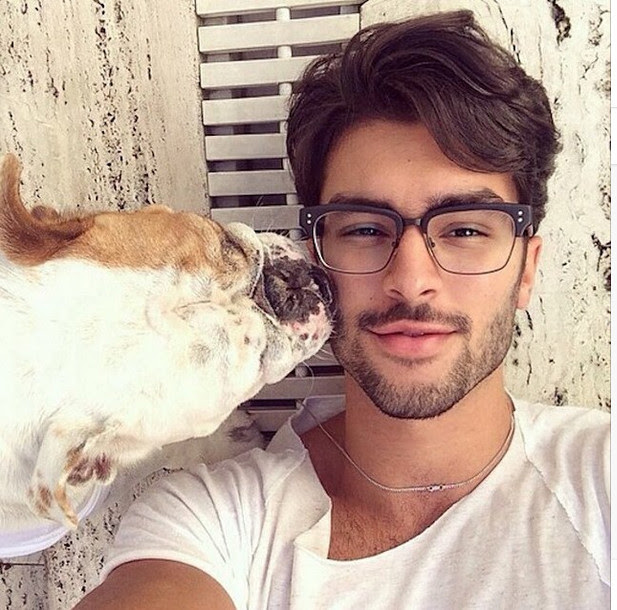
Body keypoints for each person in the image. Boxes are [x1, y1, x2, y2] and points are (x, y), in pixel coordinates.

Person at [76, 10, 609, 609]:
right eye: (363, 229)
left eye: (464, 230)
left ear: (526, 269)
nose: (411, 281)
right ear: (315, 261)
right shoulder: (210, 525)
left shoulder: (602, 479)